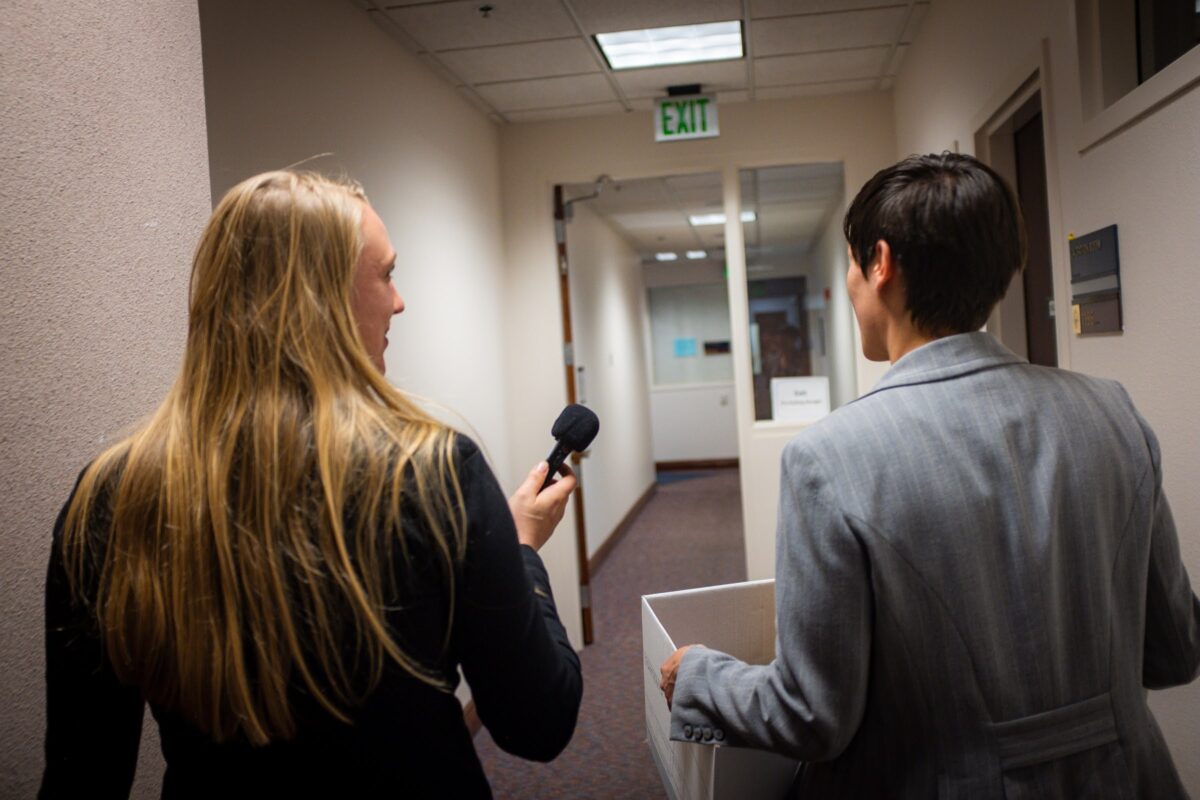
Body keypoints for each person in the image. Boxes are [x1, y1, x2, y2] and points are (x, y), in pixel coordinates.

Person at [659, 153, 1200, 797]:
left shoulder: (829, 457)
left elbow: (811, 716)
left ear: (880, 263)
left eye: (853, 267)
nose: (854, 287)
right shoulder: (1116, 413)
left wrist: (697, 674)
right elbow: (1175, 652)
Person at [41, 171, 582, 798]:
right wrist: (519, 553)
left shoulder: (111, 497)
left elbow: (83, 774)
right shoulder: (432, 472)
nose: (400, 301)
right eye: (386, 274)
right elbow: (538, 722)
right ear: (320, 298)